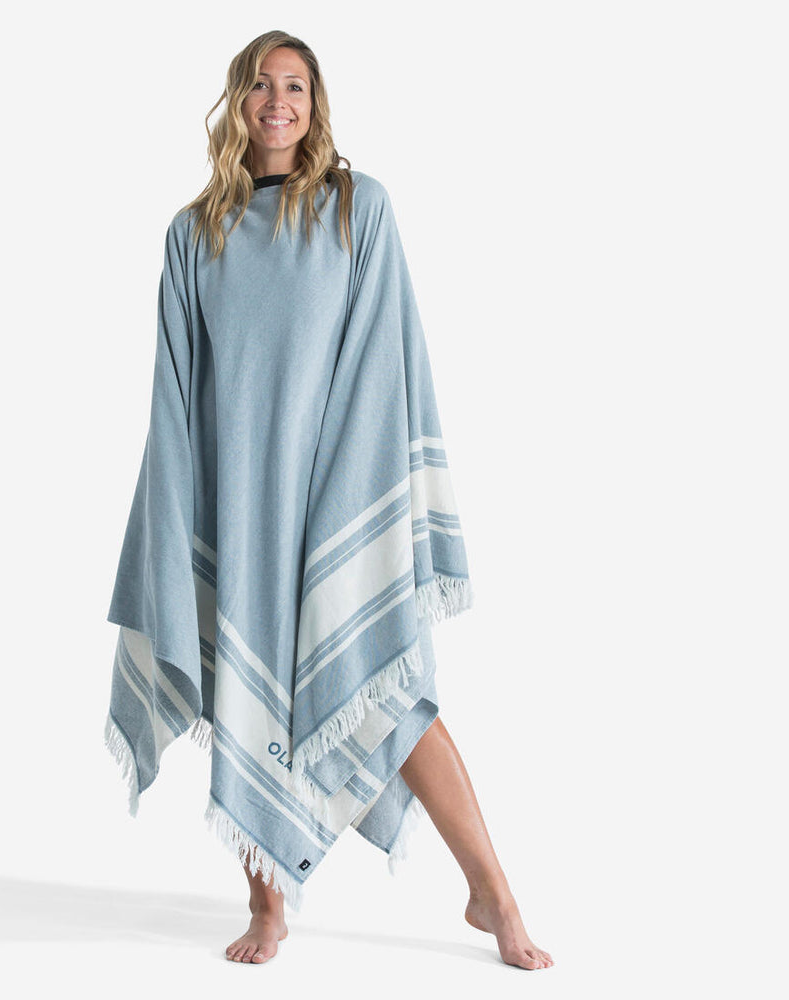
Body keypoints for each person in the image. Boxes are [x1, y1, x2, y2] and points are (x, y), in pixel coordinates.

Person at [104, 31, 553, 972]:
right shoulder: (195, 234)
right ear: (238, 102)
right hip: (239, 506)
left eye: (296, 86)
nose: (279, 102)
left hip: (338, 496)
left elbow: (389, 363)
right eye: (261, 85)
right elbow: (175, 392)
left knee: (394, 696)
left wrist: (340, 497)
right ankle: (268, 907)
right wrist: (181, 520)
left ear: (315, 104)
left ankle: (494, 895)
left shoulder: (359, 209)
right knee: (245, 691)